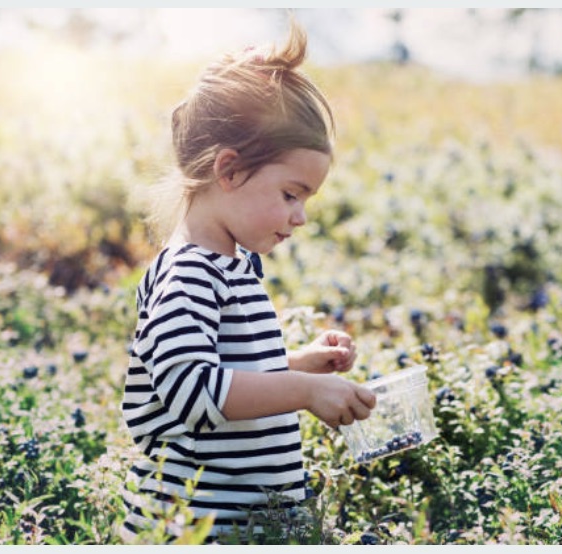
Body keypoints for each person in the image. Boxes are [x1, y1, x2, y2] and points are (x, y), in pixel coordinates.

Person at [120, 19, 377, 543]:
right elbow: (193, 390)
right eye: (291, 194)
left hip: (249, 526)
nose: (300, 217)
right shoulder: (189, 273)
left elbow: (229, 374)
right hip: (193, 530)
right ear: (230, 171)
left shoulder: (234, 265)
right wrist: (304, 390)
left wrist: (300, 363)